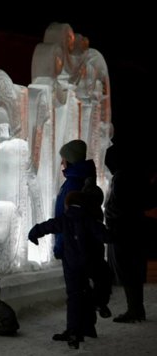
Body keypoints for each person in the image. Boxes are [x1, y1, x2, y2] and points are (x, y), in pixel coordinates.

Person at [29, 191, 111, 350]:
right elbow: (106, 235)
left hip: (71, 265)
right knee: (96, 284)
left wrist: (33, 233)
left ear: (67, 204)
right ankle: (99, 304)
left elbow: (48, 225)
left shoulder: (64, 219)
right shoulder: (89, 219)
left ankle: (73, 333)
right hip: (89, 263)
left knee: (74, 297)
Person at [104, 145, 149, 323]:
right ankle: (138, 309)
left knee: (128, 270)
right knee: (133, 270)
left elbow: (118, 205)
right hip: (131, 228)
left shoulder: (122, 177)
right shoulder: (130, 175)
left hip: (123, 230)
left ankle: (134, 309)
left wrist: (111, 219)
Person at [53, 140, 96, 260]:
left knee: (75, 278)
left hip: (72, 247)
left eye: (64, 158)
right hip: (73, 246)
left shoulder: (74, 184)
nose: (62, 162)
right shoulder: (74, 181)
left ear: (71, 160)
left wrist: (60, 246)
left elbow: (67, 220)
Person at [81, 177, 112, 318]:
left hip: (90, 257)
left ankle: (98, 303)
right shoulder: (92, 218)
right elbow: (104, 235)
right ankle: (98, 303)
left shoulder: (89, 215)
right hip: (91, 257)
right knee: (103, 279)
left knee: (102, 279)